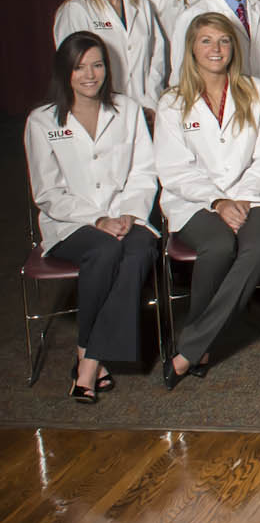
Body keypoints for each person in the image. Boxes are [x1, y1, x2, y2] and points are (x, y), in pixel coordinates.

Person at [153, 12, 260, 388]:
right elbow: (174, 169)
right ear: (192, 49)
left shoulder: (256, 91)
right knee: (218, 244)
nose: (216, 48)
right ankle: (201, 345)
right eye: (206, 41)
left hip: (256, 194)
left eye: (224, 40)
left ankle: (191, 347)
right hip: (194, 200)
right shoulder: (172, 102)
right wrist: (217, 202)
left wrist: (240, 198)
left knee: (258, 247)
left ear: (234, 47)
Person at [25, 32, 159, 402]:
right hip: (70, 224)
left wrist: (129, 213)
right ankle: (91, 358)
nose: (90, 75)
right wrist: (98, 220)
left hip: (126, 214)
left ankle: (88, 357)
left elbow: (144, 172)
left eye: (97, 65)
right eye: (79, 67)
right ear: (64, 71)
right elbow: (48, 192)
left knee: (139, 251)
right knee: (105, 249)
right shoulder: (42, 121)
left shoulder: (127, 109)